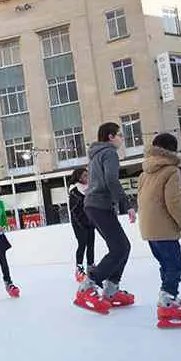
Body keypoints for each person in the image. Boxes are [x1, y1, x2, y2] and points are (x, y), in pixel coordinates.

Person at [75, 122, 136, 314]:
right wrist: (127, 204)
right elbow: (111, 179)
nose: (122, 139)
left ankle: (111, 289)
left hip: (95, 205)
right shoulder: (109, 152)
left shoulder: (96, 154)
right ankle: (88, 286)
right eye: (119, 135)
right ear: (110, 137)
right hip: (99, 205)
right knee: (120, 248)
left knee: (122, 247)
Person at [137, 133, 181, 327]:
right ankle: (168, 299)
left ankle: (169, 296)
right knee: (175, 265)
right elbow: (173, 202)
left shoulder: (144, 172)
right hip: (164, 227)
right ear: (173, 149)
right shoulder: (171, 170)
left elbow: (140, 200)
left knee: (166, 264)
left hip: (148, 228)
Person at [68, 167, 96, 282]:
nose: (87, 177)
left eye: (88, 175)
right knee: (82, 244)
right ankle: (79, 268)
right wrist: (82, 222)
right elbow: (74, 209)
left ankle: (91, 267)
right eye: (85, 175)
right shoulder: (74, 190)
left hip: (90, 220)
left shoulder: (89, 188)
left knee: (91, 244)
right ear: (79, 177)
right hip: (79, 222)